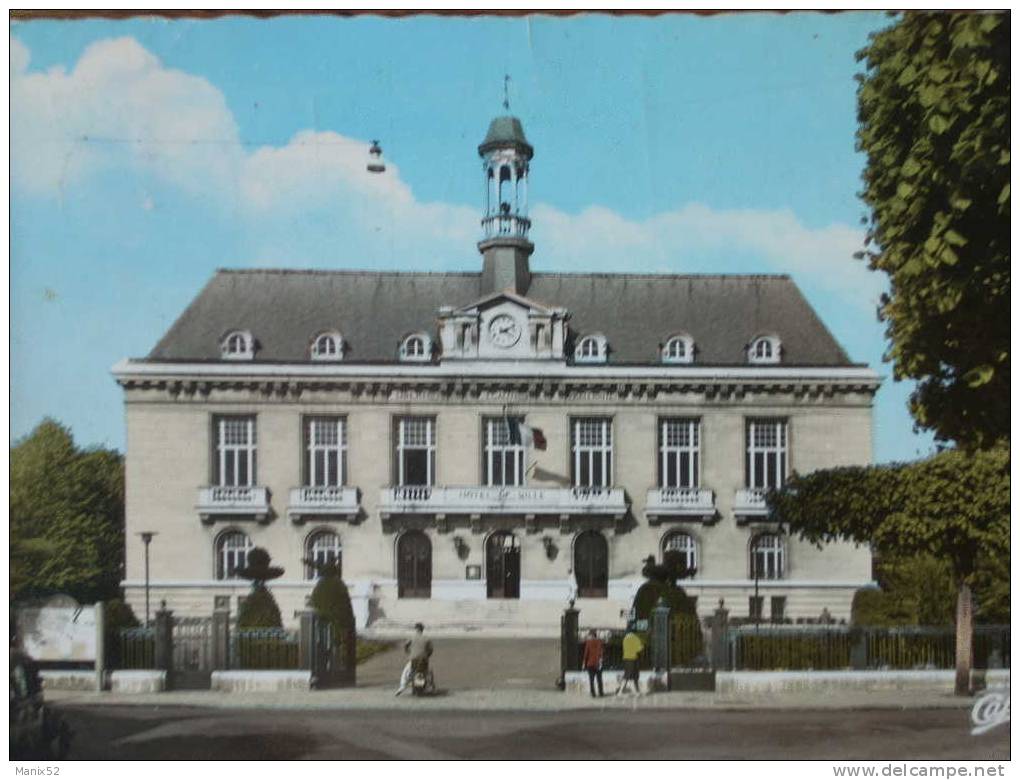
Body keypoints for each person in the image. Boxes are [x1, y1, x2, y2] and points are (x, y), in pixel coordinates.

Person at [395, 622, 433, 696]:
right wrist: (427, 655)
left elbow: (405, 646)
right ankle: (429, 686)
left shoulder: (411, 637)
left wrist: (408, 653)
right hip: (424, 659)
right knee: (427, 672)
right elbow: (430, 650)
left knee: (405, 672)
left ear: (416, 629)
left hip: (414, 659)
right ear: (422, 630)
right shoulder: (427, 638)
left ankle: (402, 687)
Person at [616, 624, 644, 696]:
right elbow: (639, 649)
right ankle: (621, 691)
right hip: (633, 659)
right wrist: (642, 647)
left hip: (626, 658)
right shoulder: (635, 638)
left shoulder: (625, 638)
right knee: (633, 676)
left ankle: (637, 691)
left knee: (628, 675)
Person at [581, 628, 605, 697]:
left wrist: (583, 663)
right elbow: (601, 652)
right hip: (598, 663)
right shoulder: (599, 642)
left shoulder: (588, 642)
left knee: (591, 680)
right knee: (599, 679)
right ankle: (601, 692)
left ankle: (593, 693)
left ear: (591, 635)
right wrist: (600, 662)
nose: (589, 636)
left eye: (589, 635)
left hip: (590, 663)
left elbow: (586, 654)